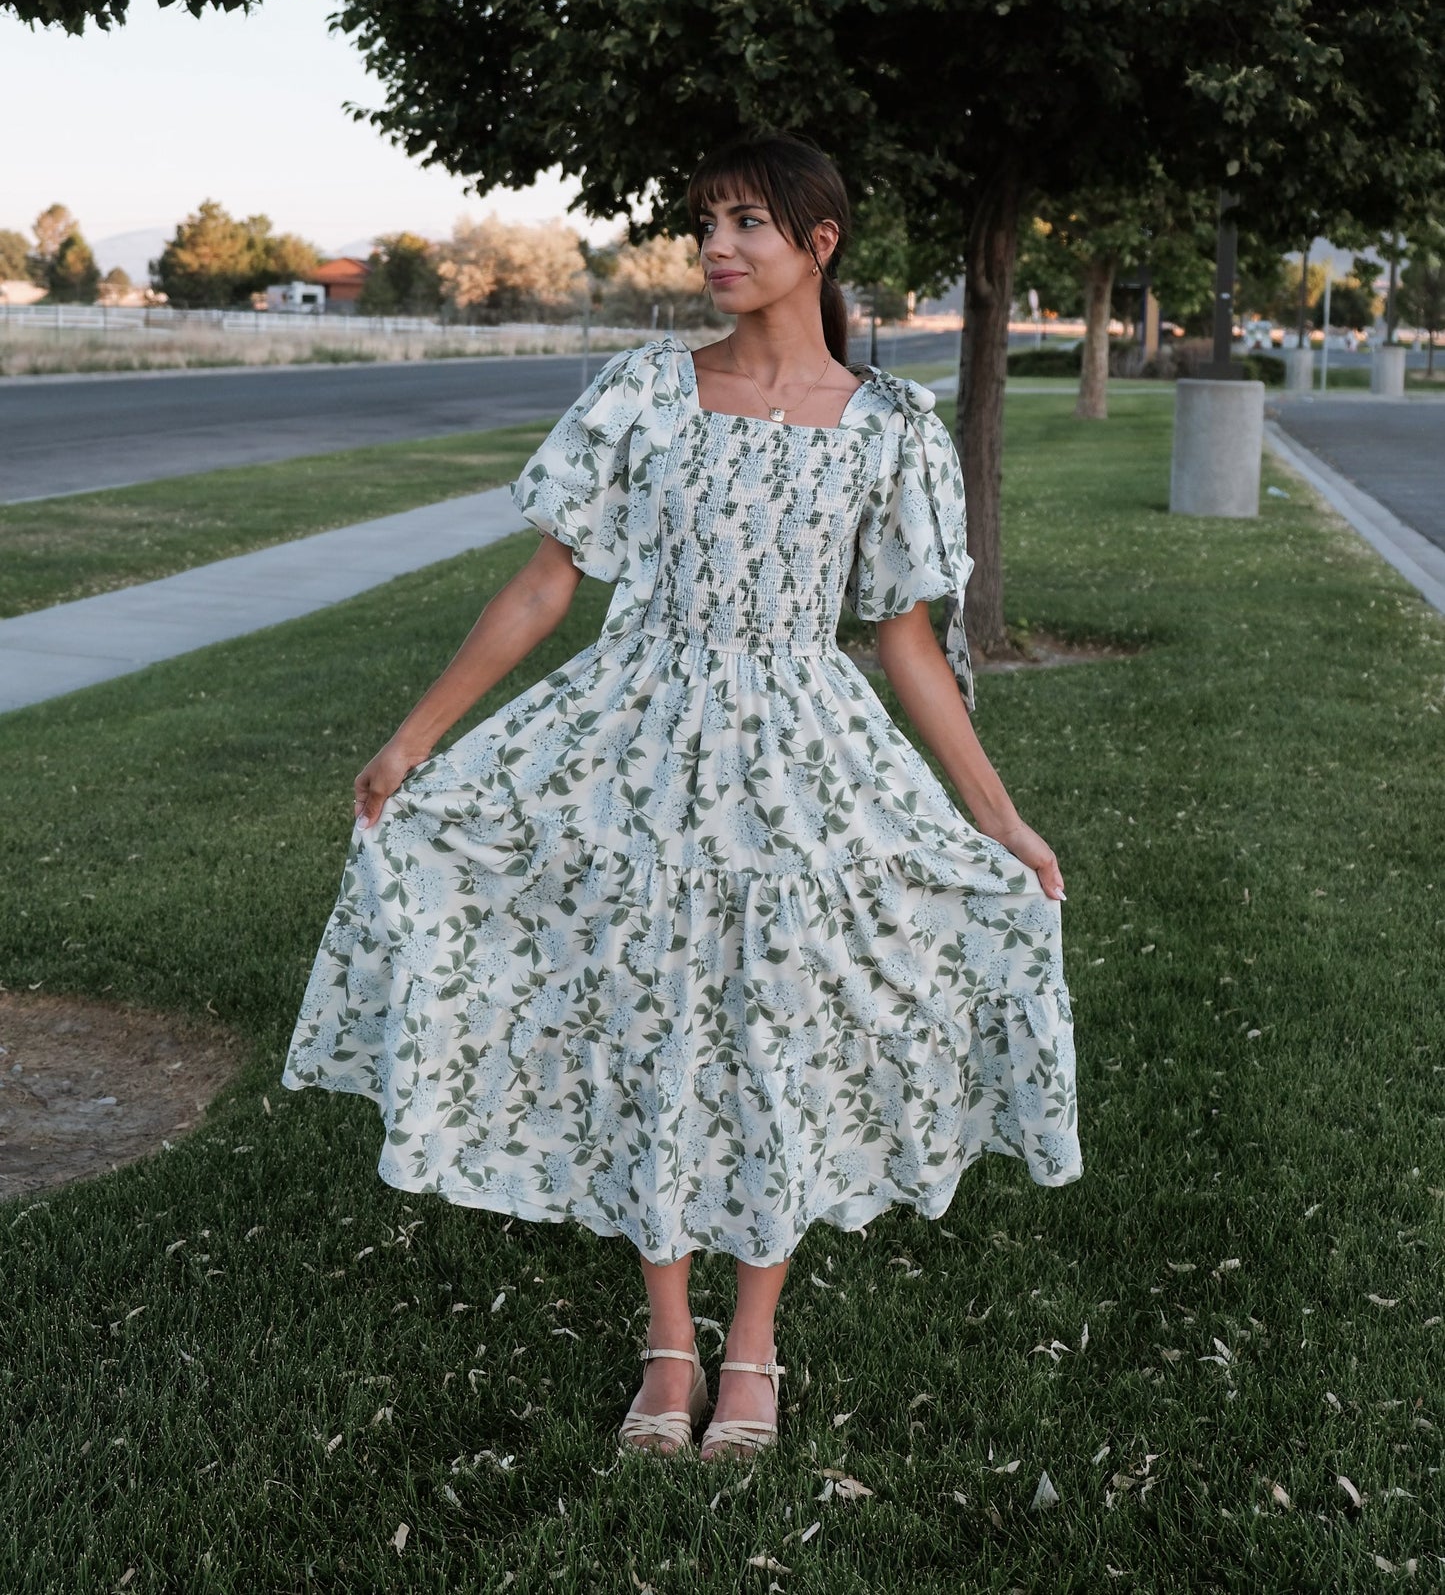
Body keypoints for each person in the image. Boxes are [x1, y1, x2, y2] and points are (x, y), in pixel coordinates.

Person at [283, 132, 1080, 1463]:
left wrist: (996, 819)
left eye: (745, 224)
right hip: (631, 743)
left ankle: (754, 1344)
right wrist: (413, 741)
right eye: (702, 223)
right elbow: (548, 585)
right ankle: (667, 1341)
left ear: (816, 245)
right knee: (650, 1015)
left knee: (775, 1021)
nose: (713, 248)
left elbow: (906, 641)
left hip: (802, 756)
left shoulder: (889, 428)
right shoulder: (644, 391)